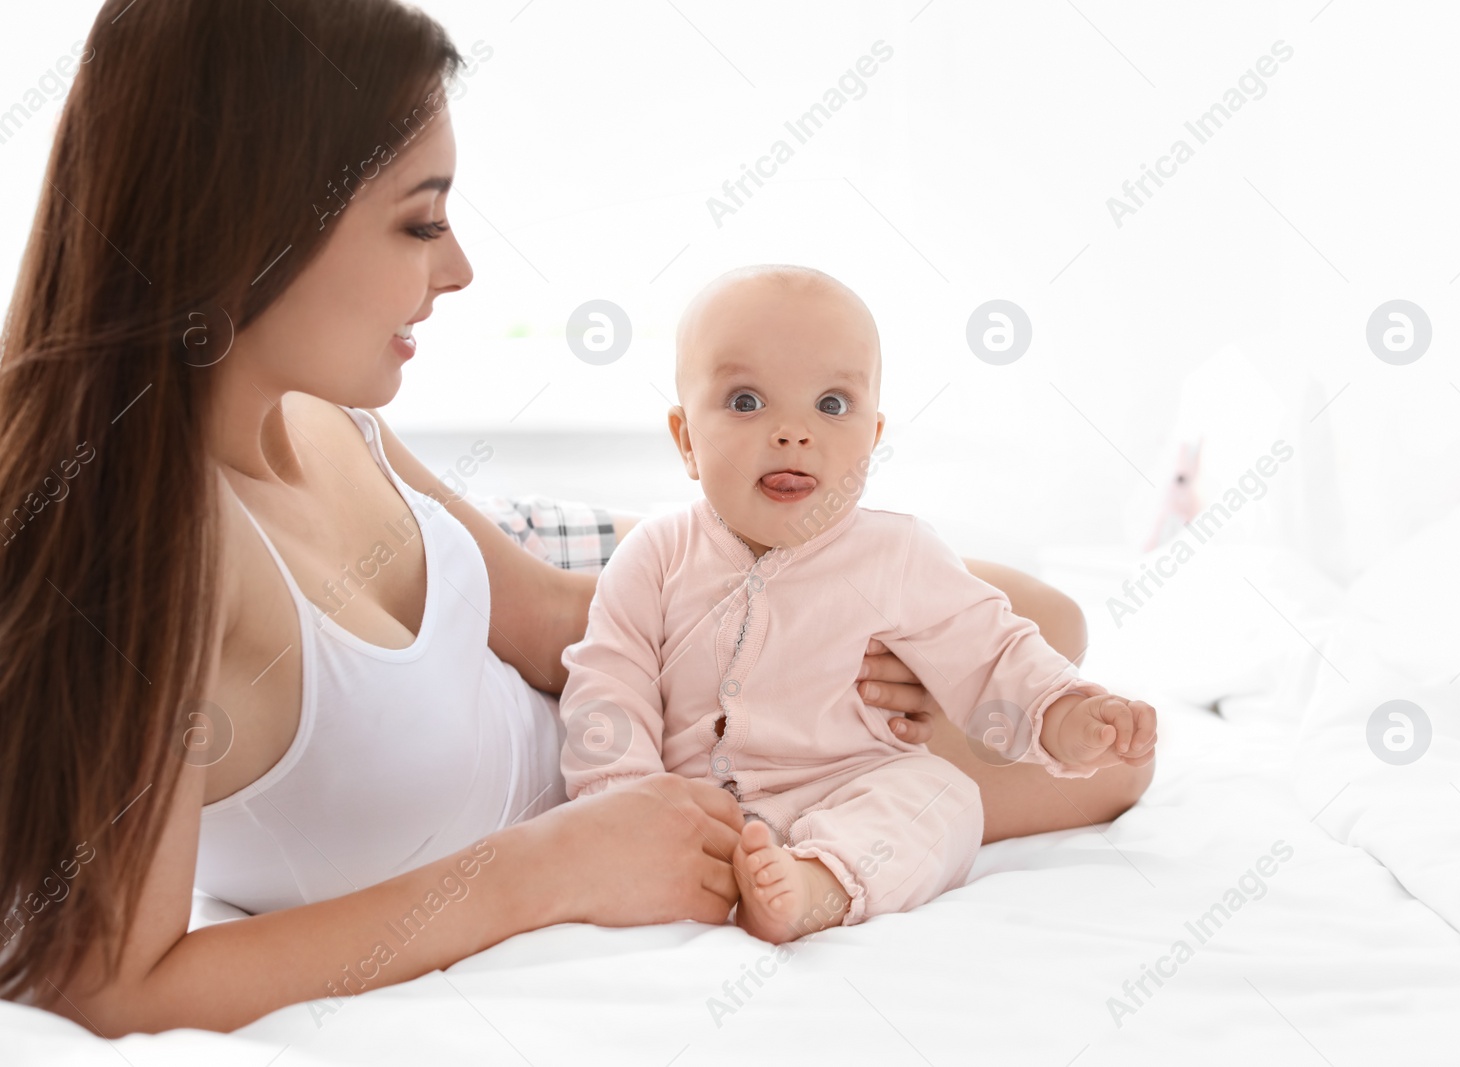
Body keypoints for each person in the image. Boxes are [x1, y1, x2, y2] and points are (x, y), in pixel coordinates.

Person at [0, 0, 1152, 1036]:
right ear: (250, 219)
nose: (458, 270)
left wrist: (825, 621)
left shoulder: (321, 416)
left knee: (1052, 639)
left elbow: (551, 615)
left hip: (644, 719)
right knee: (1080, 761)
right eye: (418, 221)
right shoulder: (157, 557)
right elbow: (111, 983)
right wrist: (541, 871)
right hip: (634, 794)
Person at [559, 265, 1157, 943]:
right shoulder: (655, 555)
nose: (792, 431)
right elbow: (608, 690)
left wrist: (1064, 711)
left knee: (943, 796)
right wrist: (628, 810)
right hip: (692, 814)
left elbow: (992, 652)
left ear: (872, 438)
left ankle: (822, 883)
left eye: (832, 405)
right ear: (686, 438)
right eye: (747, 401)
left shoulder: (898, 555)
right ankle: (713, 864)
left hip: (849, 789)